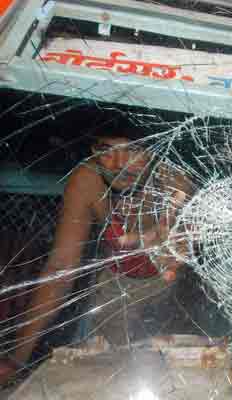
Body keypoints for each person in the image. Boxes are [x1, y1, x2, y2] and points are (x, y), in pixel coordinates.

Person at [0, 120, 191, 385]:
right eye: (107, 150)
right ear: (93, 150)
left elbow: (182, 263)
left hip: (173, 290)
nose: (118, 163)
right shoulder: (88, 180)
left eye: (132, 150)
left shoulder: (174, 183)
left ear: (153, 150)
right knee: (105, 372)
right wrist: (16, 359)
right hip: (115, 285)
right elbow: (60, 268)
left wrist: (170, 249)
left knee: (176, 374)